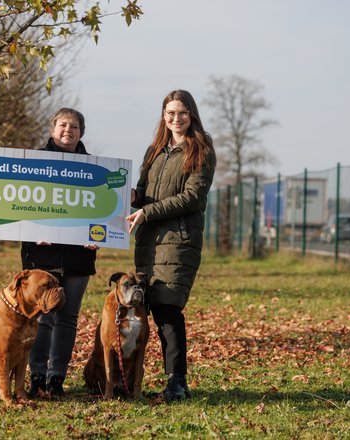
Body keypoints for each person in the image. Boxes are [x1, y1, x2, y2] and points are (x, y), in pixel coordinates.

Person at [126, 90, 216, 402]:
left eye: (182, 113)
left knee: (168, 311)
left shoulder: (201, 149)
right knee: (151, 311)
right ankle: (148, 380)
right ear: (163, 116)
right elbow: (141, 190)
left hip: (178, 241)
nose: (176, 118)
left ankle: (177, 381)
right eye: (170, 113)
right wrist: (128, 197)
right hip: (148, 241)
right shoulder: (155, 150)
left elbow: (193, 197)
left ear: (192, 115)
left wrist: (147, 210)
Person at [21, 108, 99, 398]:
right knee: (43, 316)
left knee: (67, 318)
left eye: (75, 126)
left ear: (81, 132)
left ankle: (57, 379)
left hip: (79, 258)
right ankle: (36, 375)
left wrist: (99, 236)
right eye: (63, 125)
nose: (69, 130)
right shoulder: (32, 163)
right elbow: (19, 205)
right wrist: (31, 230)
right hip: (41, 258)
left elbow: (105, 214)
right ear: (52, 128)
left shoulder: (96, 168)